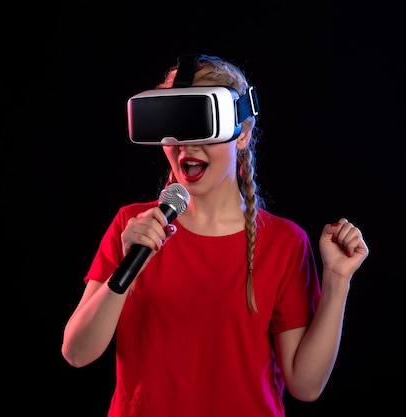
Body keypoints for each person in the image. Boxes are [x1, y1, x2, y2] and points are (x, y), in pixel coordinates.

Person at [61, 54, 369, 417]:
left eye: (201, 125)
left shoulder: (285, 242)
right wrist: (125, 274)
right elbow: (77, 353)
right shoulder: (133, 226)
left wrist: (336, 281)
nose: (185, 146)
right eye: (173, 127)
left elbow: (305, 385)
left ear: (243, 134)